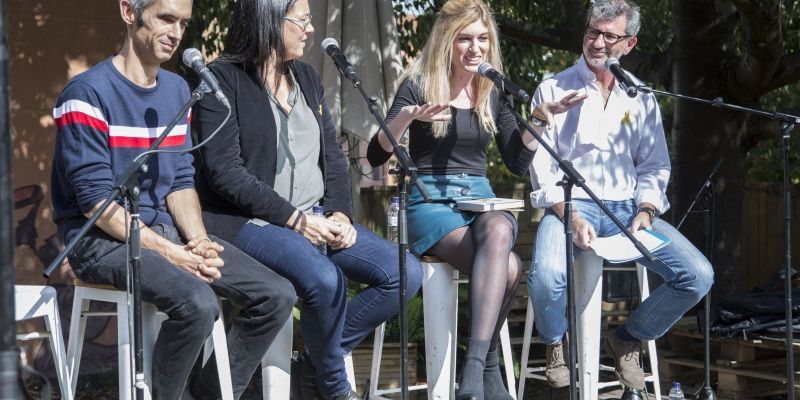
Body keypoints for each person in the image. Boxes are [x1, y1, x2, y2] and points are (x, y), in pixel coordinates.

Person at [50, 0, 296, 399]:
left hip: (164, 230)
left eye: (183, 23)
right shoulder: (86, 93)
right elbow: (96, 203)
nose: (176, 33)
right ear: (129, 12)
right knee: (198, 304)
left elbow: (180, 181)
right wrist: (173, 253)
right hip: (99, 239)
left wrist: (197, 240)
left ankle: (206, 394)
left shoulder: (178, 89)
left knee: (276, 295)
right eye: (166, 18)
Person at [190, 1, 424, 399]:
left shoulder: (307, 79)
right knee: (323, 278)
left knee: (404, 273)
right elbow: (224, 172)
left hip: (317, 217)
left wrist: (340, 213)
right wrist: (297, 220)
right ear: (268, 19)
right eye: (302, 21)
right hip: (250, 222)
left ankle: (317, 361)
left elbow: (332, 156)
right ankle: (333, 389)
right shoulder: (221, 80)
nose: (310, 30)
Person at [367, 1, 581, 398]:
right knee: (512, 268)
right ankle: (483, 371)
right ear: (447, 41)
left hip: (479, 200)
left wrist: (537, 120)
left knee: (501, 228)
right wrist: (407, 118)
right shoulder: (418, 83)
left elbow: (517, 160)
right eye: (464, 39)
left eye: (482, 39)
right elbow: (376, 154)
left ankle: (473, 370)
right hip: (430, 200)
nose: (475, 48)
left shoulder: (492, 88)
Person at [527, 0, 714, 390]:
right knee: (546, 276)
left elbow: (654, 166)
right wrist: (571, 217)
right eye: (592, 32)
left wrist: (646, 209)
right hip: (571, 205)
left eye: (608, 36)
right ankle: (555, 341)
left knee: (697, 275)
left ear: (628, 44)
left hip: (628, 208)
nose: (596, 42)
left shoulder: (641, 96)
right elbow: (541, 170)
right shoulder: (551, 88)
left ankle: (627, 339)